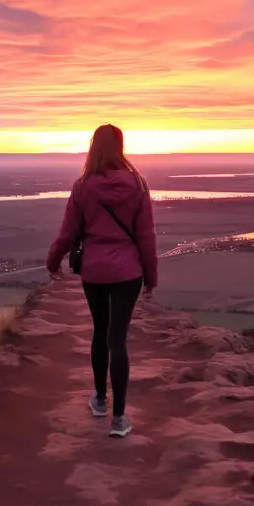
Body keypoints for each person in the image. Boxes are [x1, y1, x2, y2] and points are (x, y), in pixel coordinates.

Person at [46, 124, 158, 438]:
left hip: (94, 271)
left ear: (94, 147)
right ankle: (119, 418)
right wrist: (151, 276)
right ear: (120, 147)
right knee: (118, 339)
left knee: (100, 331)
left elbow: (68, 233)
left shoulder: (83, 186)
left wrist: (53, 262)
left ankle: (99, 399)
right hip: (128, 273)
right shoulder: (138, 184)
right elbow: (146, 236)